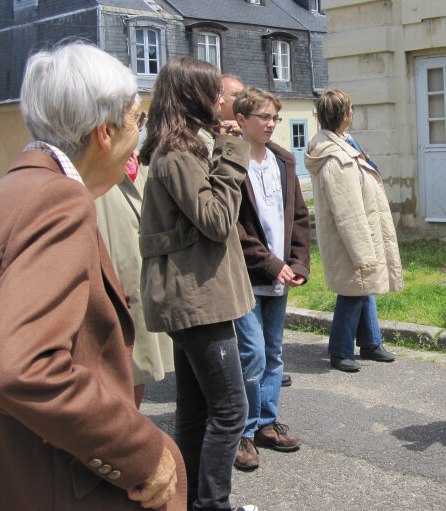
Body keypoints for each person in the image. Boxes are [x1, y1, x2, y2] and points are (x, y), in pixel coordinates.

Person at [0, 42, 184, 510]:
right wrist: (141, 453)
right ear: (104, 132)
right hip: (49, 479)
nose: (138, 136)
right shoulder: (59, 201)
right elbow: (15, 367)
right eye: (135, 121)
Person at [139, 57, 257, 511]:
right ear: (194, 97)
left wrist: (221, 147)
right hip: (196, 299)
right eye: (215, 92)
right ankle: (212, 505)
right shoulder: (178, 152)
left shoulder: (183, 147)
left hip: (195, 297)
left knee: (195, 412)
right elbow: (215, 219)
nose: (222, 100)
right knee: (231, 411)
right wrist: (234, 153)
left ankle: (191, 502)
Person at [231, 87, 311, 470]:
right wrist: (268, 263)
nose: (270, 123)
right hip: (245, 276)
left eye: (274, 117)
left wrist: (296, 262)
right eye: (262, 117)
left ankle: (265, 422)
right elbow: (231, 227)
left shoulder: (283, 160)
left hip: (280, 276)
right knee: (252, 354)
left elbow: (298, 216)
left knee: (274, 351)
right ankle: (242, 433)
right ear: (241, 120)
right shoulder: (231, 161)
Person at [304, 90, 403, 372]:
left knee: (363, 286)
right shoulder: (335, 156)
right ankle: (340, 350)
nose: (352, 112)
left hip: (361, 230)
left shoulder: (342, 143)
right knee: (352, 289)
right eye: (351, 108)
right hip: (350, 235)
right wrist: (361, 248)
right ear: (345, 114)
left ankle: (370, 343)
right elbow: (346, 209)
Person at [95, 150, 174, 409]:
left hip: (145, 280)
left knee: (140, 360)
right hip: (112, 280)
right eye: (131, 118)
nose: (137, 126)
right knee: (114, 368)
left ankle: (129, 431)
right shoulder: (91, 168)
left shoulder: (144, 163)